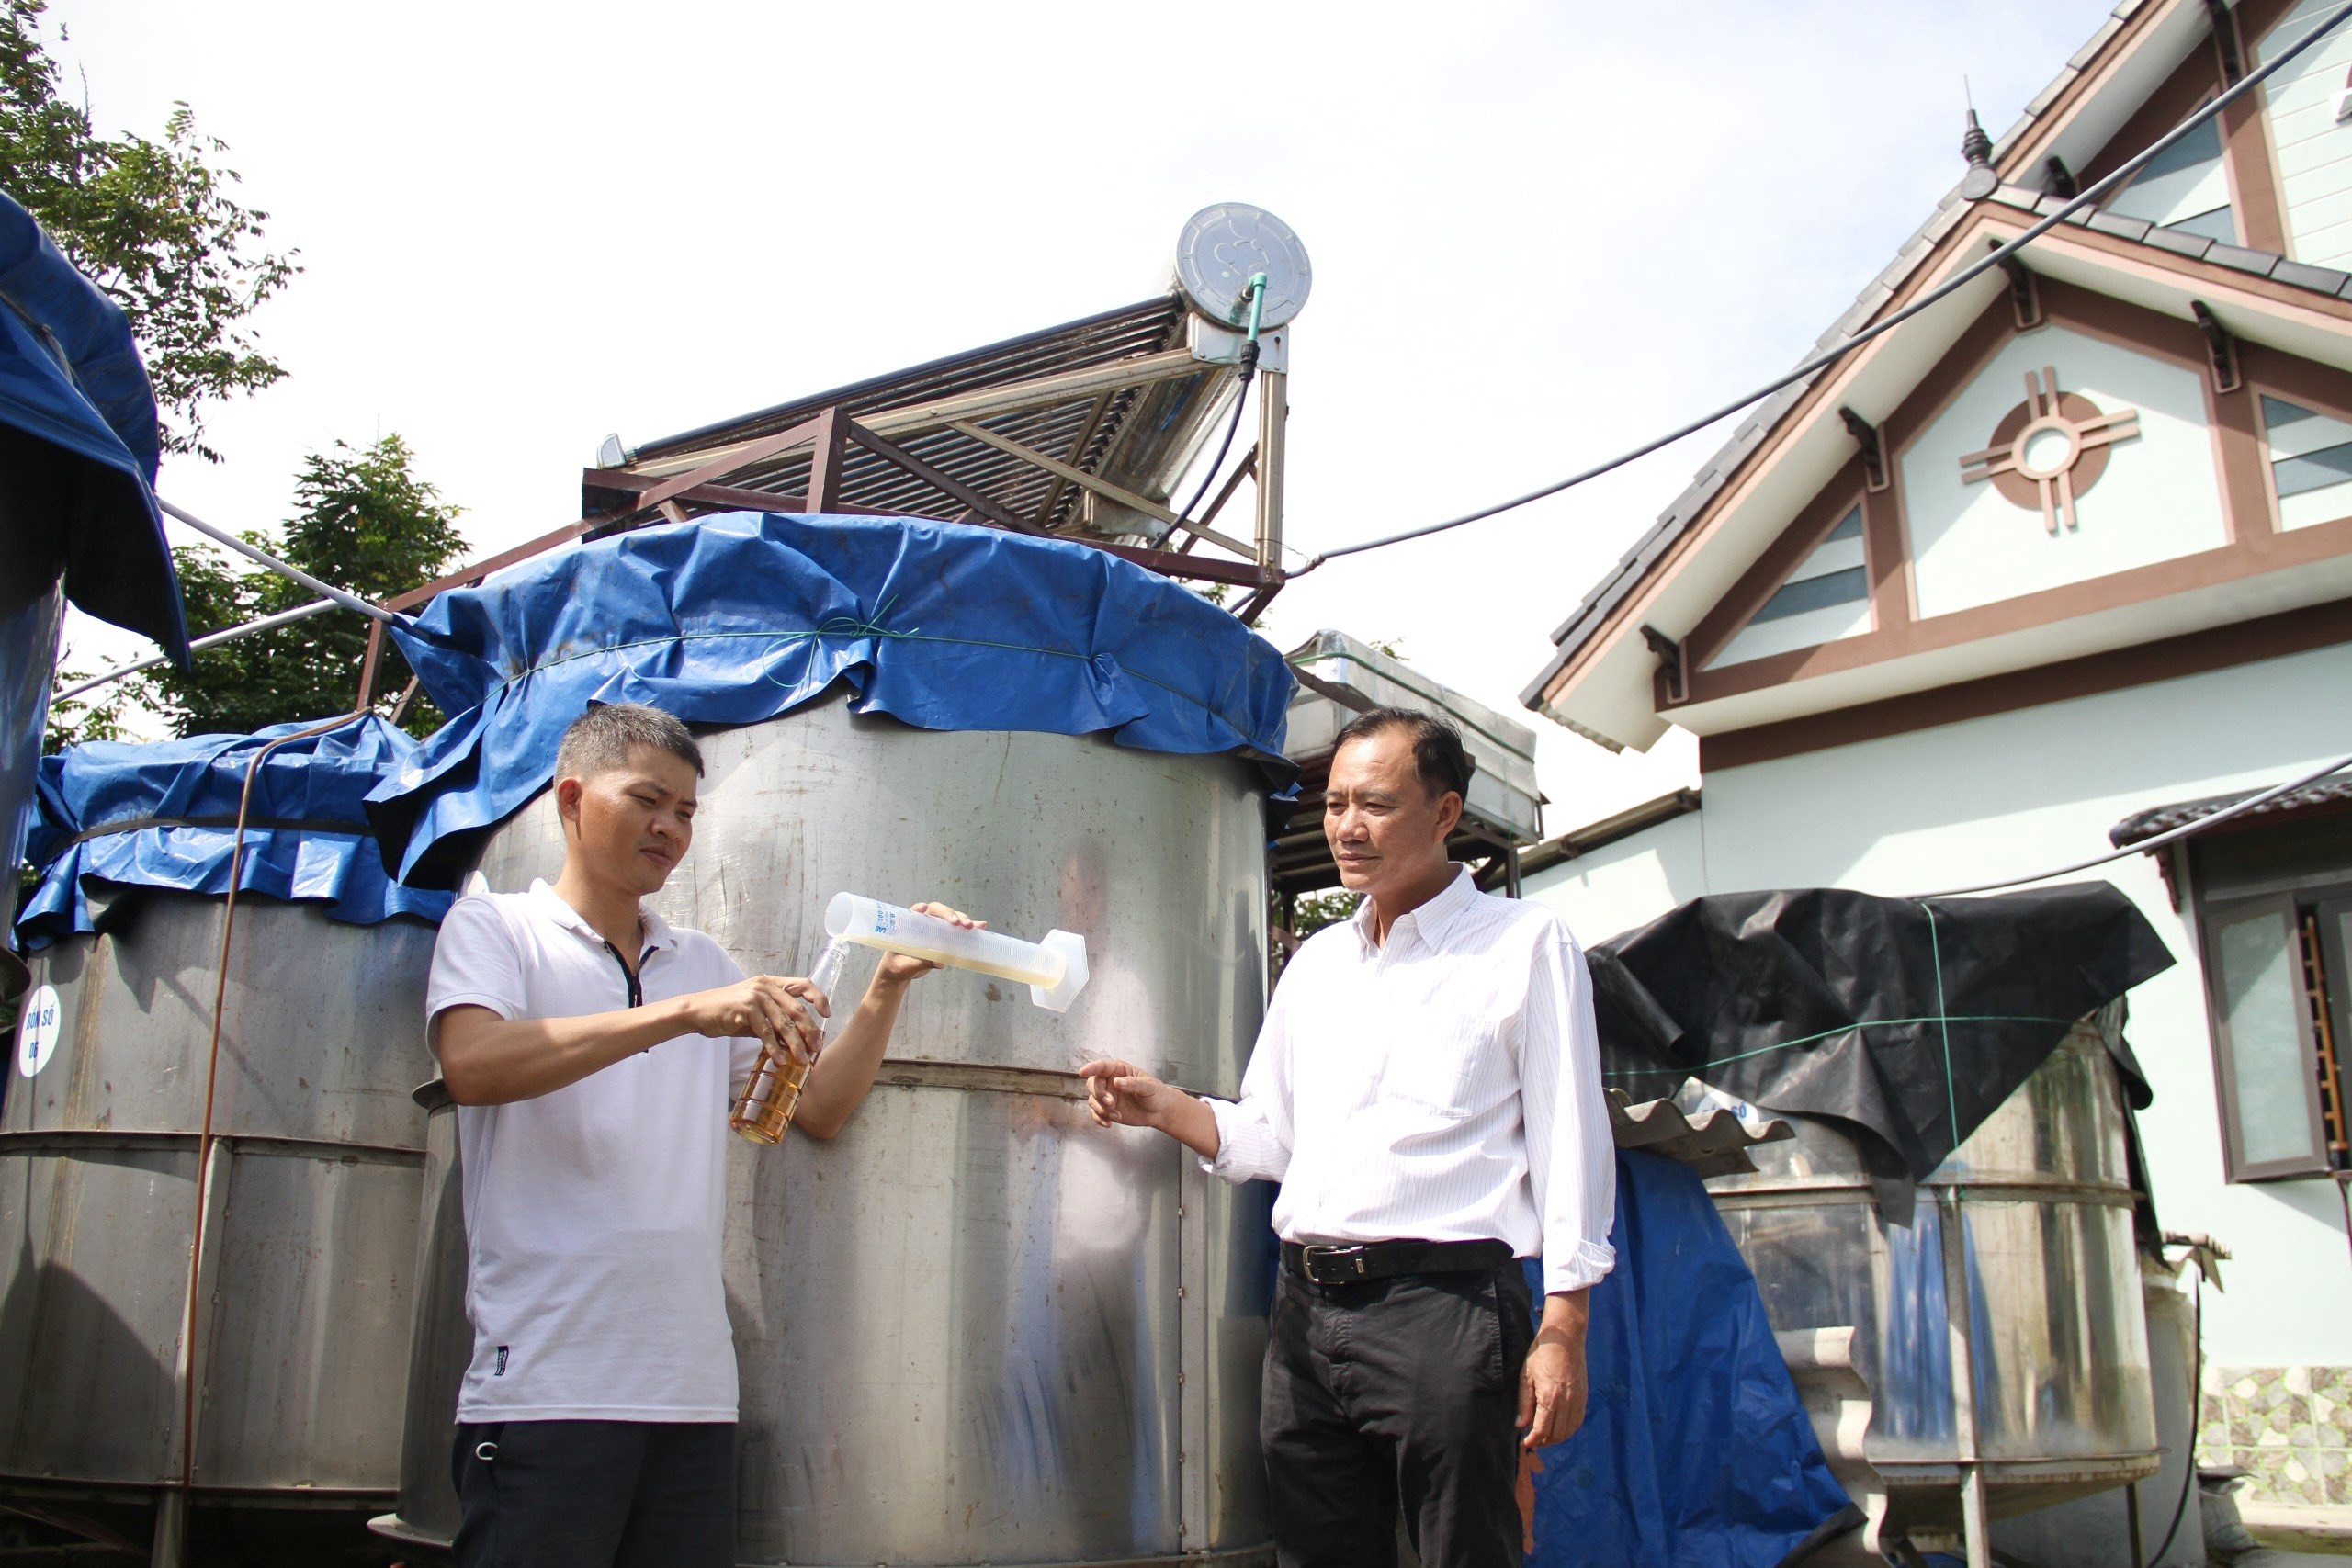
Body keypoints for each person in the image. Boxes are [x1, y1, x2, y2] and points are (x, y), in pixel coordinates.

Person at [424, 701, 973, 1568]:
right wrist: (683, 1015)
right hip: (546, 1390)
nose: (670, 828)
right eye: (648, 800)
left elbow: (817, 1108)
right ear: (572, 799)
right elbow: (474, 1066)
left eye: (685, 811)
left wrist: (887, 984)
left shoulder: (703, 963)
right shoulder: (497, 930)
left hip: (691, 1394)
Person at [1080, 706, 1614, 1568]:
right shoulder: (1320, 963)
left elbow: (1572, 1143)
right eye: (1333, 804)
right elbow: (1274, 1136)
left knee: (1464, 1552)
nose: (1346, 827)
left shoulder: (1524, 944)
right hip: (1307, 1316)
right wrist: (1165, 1106)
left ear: (1445, 814)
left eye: (1375, 804)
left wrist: (1565, 1327)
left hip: (1445, 1311)